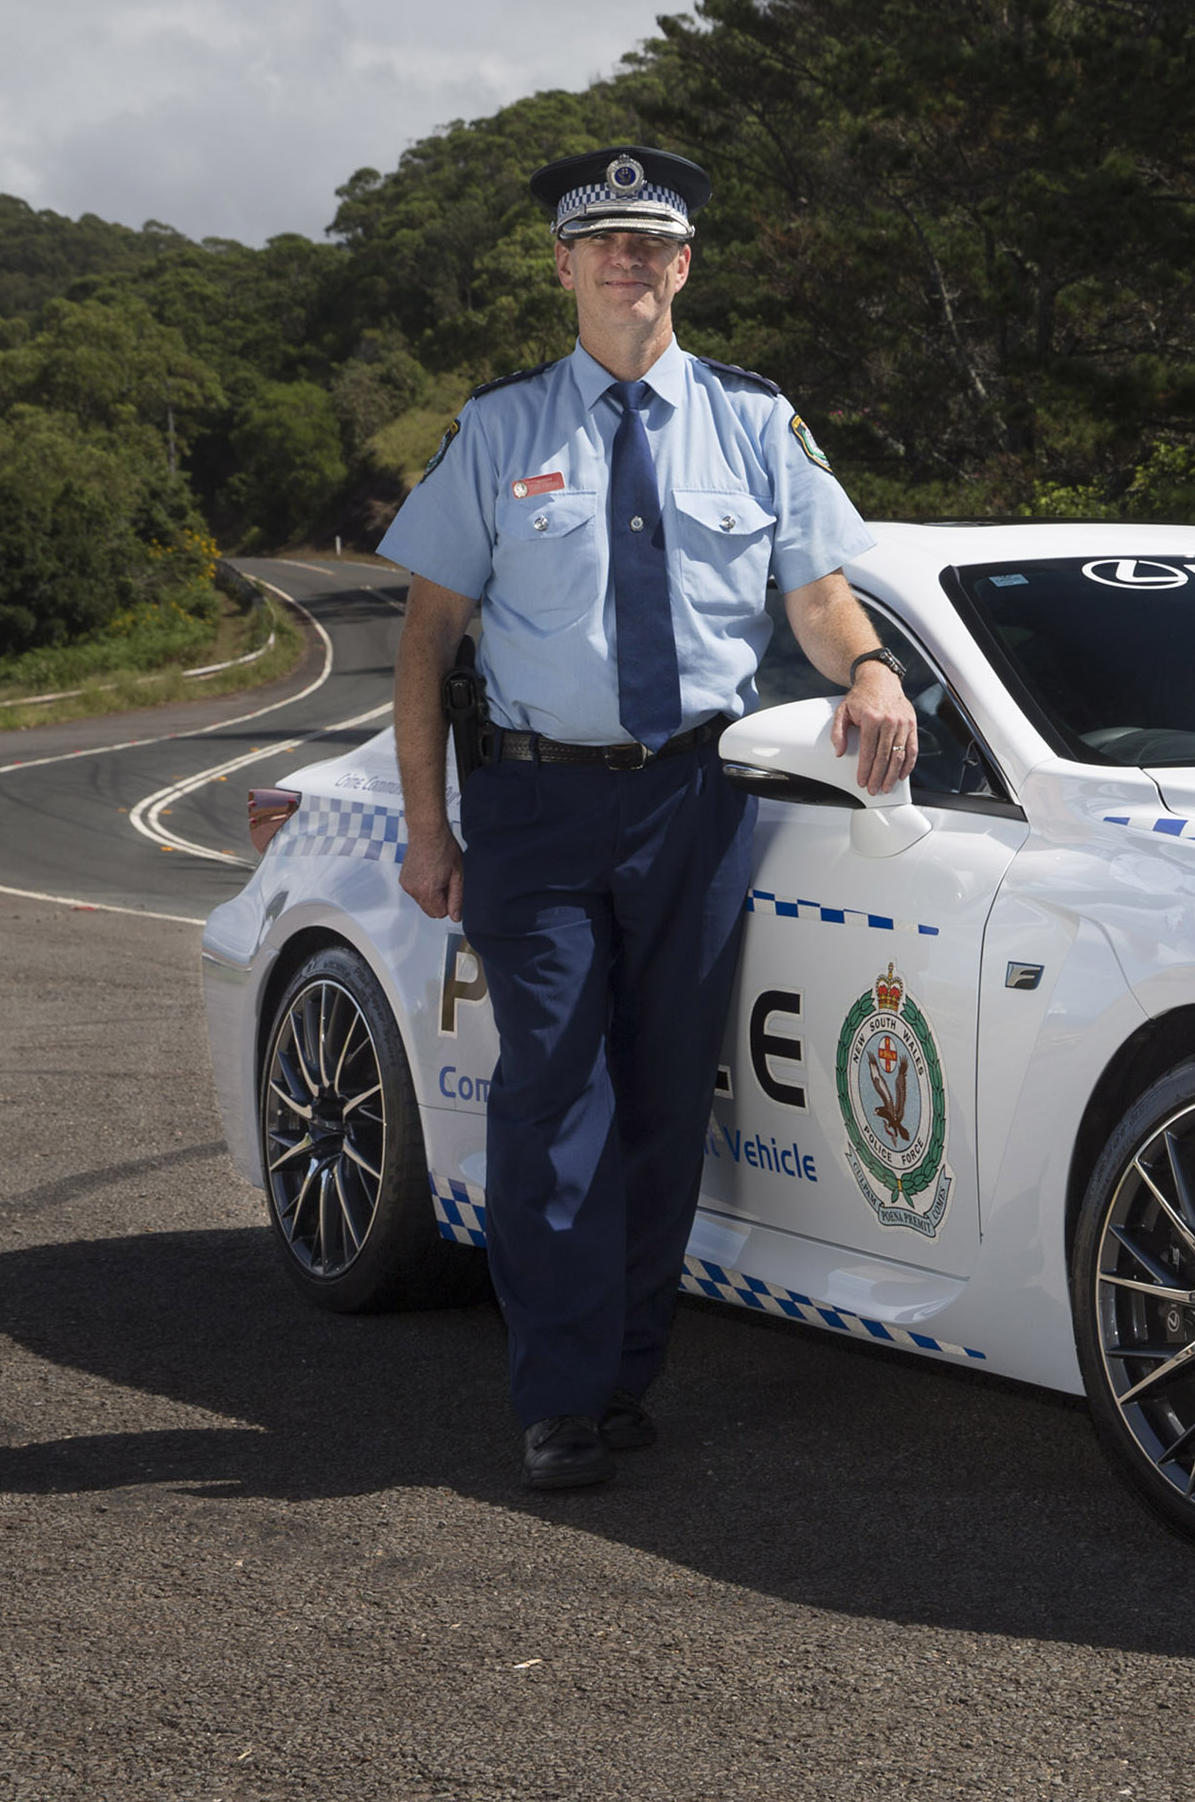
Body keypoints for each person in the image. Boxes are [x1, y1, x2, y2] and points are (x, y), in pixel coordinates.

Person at [378, 145, 920, 1491]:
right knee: (551, 1086)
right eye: (602, 243)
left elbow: (816, 594)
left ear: (684, 266)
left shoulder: (754, 421)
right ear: (563, 266)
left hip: (694, 799)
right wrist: (429, 826)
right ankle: (558, 1395)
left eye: (652, 245)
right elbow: (427, 635)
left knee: (668, 1095)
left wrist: (865, 665)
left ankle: (622, 1372)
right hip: (533, 805)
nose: (629, 263)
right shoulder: (499, 429)